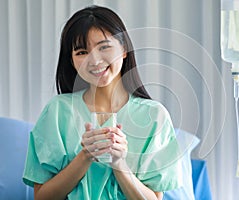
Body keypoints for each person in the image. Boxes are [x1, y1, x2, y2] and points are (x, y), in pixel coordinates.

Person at [23, 5, 182, 200]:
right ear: (72, 61)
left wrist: (119, 163)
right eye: (81, 52)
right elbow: (41, 197)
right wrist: (85, 157)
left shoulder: (154, 116)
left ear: (124, 49)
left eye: (104, 47)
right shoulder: (57, 111)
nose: (95, 60)